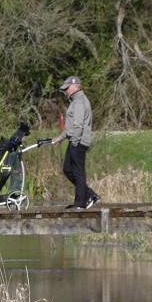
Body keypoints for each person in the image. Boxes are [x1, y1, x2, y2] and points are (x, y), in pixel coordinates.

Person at [53, 75, 100, 209]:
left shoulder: (79, 102)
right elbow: (71, 127)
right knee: (67, 169)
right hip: (75, 140)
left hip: (78, 142)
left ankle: (80, 203)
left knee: (78, 172)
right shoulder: (76, 101)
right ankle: (90, 194)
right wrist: (60, 138)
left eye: (67, 88)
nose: (65, 91)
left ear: (75, 87)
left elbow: (78, 126)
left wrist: (74, 142)